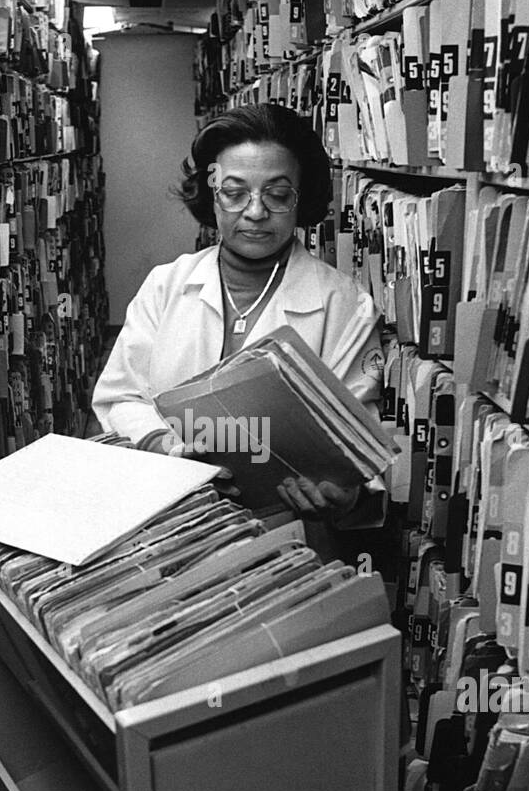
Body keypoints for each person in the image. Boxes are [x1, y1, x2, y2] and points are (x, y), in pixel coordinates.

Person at [91, 103, 385, 529]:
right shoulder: (166, 285)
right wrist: (169, 450)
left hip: (286, 535)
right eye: (234, 192)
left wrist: (345, 496)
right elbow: (120, 397)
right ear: (210, 195)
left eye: (278, 194)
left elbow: (356, 445)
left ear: (302, 199)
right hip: (168, 520)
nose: (255, 212)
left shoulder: (343, 303)